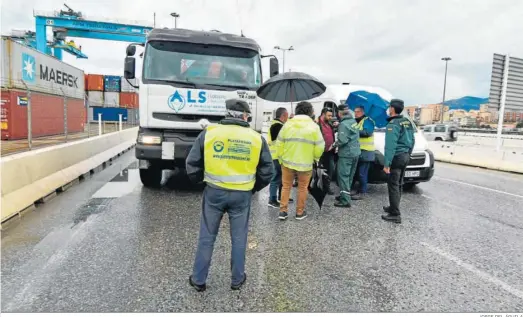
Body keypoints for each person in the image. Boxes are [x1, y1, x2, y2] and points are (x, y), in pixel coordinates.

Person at [186, 99, 273, 291]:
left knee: (207, 236)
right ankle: (237, 279)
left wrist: (202, 182)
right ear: (244, 116)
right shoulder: (256, 137)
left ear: (226, 113)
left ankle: (199, 280)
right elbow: (268, 171)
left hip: (214, 192)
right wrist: (253, 187)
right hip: (242, 194)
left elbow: (192, 164)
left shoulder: (209, 133)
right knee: (239, 237)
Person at [277, 101, 324, 220]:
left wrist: (281, 158)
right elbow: (320, 146)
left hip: (287, 162)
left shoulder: (287, 124)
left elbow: (279, 143)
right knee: (303, 188)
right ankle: (299, 212)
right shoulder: (314, 126)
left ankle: (283, 211)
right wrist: (315, 158)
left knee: (286, 186)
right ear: (310, 112)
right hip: (305, 163)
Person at [382, 99, 415, 223]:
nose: (389, 109)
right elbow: (412, 140)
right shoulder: (407, 122)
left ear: (392, 109)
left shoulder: (393, 124)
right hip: (405, 155)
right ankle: (393, 207)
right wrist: (408, 154)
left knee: (393, 185)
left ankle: (395, 214)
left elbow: (390, 146)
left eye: (389, 107)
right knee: (399, 183)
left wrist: (387, 164)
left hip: (397, 157)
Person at [334, 105, 361, 208]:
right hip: (355, 153)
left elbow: (343, 141)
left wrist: (334, 144)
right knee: (349, 176)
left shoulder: (343, 124)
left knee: (343, 176)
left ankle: (345, 201)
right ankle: (345, 195)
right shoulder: (353, 122)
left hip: (346, 154)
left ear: (340, 113)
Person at [267, 107, 293, 207]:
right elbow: (284, 136)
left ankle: (282, 196)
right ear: (283, 116)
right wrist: (291, 122)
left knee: (282, 177)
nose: (287, 118)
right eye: (287, 116)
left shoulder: (278, 125)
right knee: (276, 178)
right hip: (277, 156)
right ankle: (272, 199)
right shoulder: (277, 125)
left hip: (278, 156)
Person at [353, 106, 376, 197]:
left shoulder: (368, 121)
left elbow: (367, 133)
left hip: (366, 151)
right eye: (355, 111)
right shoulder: (359, 121)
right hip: (360, 151)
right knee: (359, 173)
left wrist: (354, 131)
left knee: (362, 173)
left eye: (358, 112)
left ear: (362, 112)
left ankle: (362, 192)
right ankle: (359, 190)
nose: (355, 113)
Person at [318, 107, 336, 195]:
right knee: (318, 170)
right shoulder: (317, 124)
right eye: (329, 115)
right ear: (323, 114)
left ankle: (327, 186)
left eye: (331, 116)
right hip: (320, 152)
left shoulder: (329, 123)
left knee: (330, 169)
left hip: (330, 151)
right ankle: (317, 187)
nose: (330, 117)